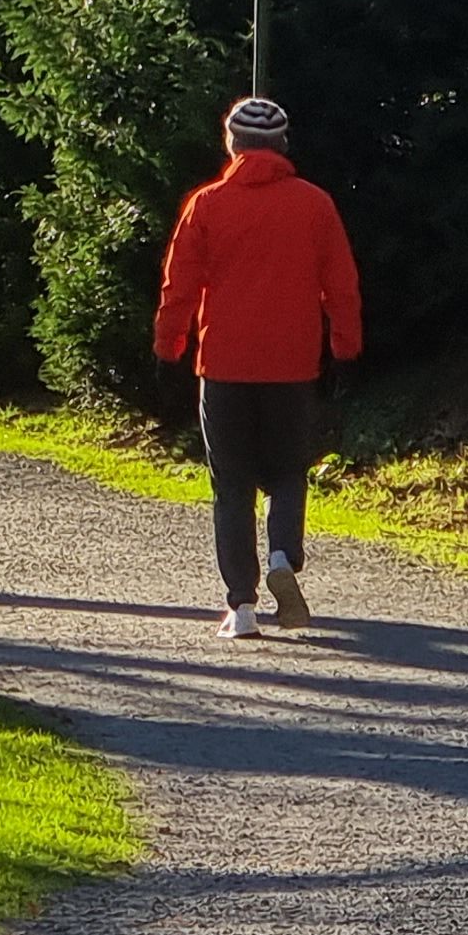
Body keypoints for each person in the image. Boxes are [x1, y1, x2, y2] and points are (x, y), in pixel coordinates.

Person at [153, 94, 363, 640]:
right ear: (283, 144)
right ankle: (282, 557)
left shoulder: (207, 205)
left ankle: (241, 606)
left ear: (232, 144)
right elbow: (340, 283)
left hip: (223, 364)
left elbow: (180, 284)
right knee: (289, 471)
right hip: (292, 365)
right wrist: (345, 344)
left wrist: (168, 342)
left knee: (232, 485)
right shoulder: (315, 205)